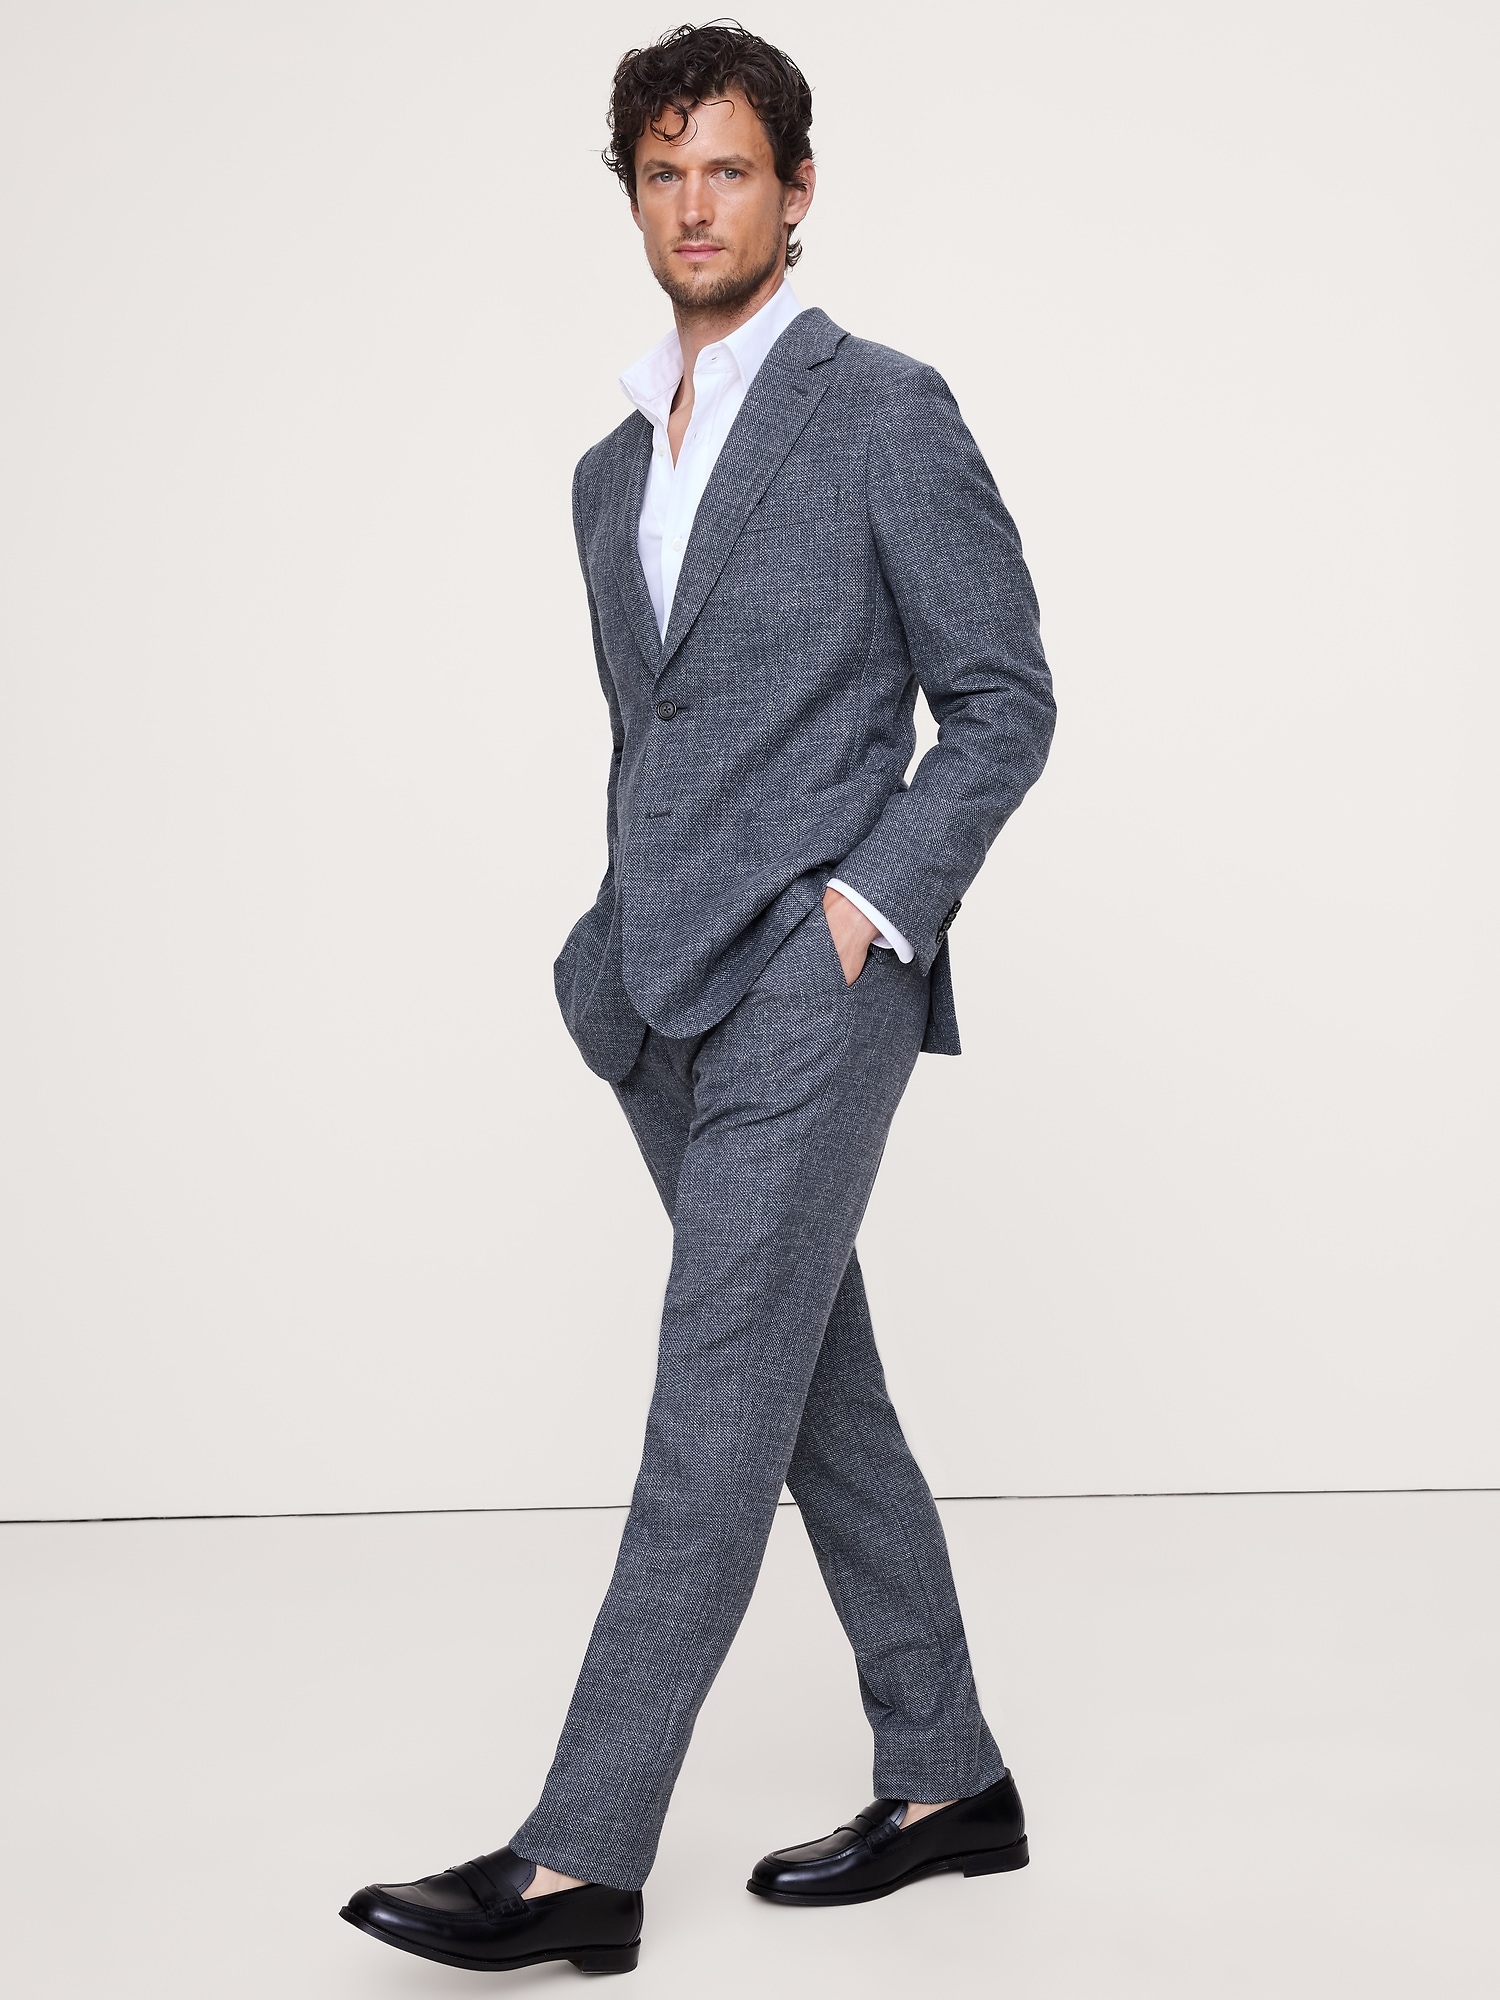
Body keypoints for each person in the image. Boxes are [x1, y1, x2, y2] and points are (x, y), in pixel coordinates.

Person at [341, 21, 1055, 1977]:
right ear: (634, 196)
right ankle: (950, 1775)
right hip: (656, 999)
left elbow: (1003, 700)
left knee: (713, 1402)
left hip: (815, 987)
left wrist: (869, 911)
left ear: (795, 190)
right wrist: (608, 943)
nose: (694, 203)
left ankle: (579, 1859)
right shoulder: (603, 472)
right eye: (663, 173)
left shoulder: (881, 409)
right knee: (819, 1393)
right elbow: (655, 734)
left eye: (728, 168)